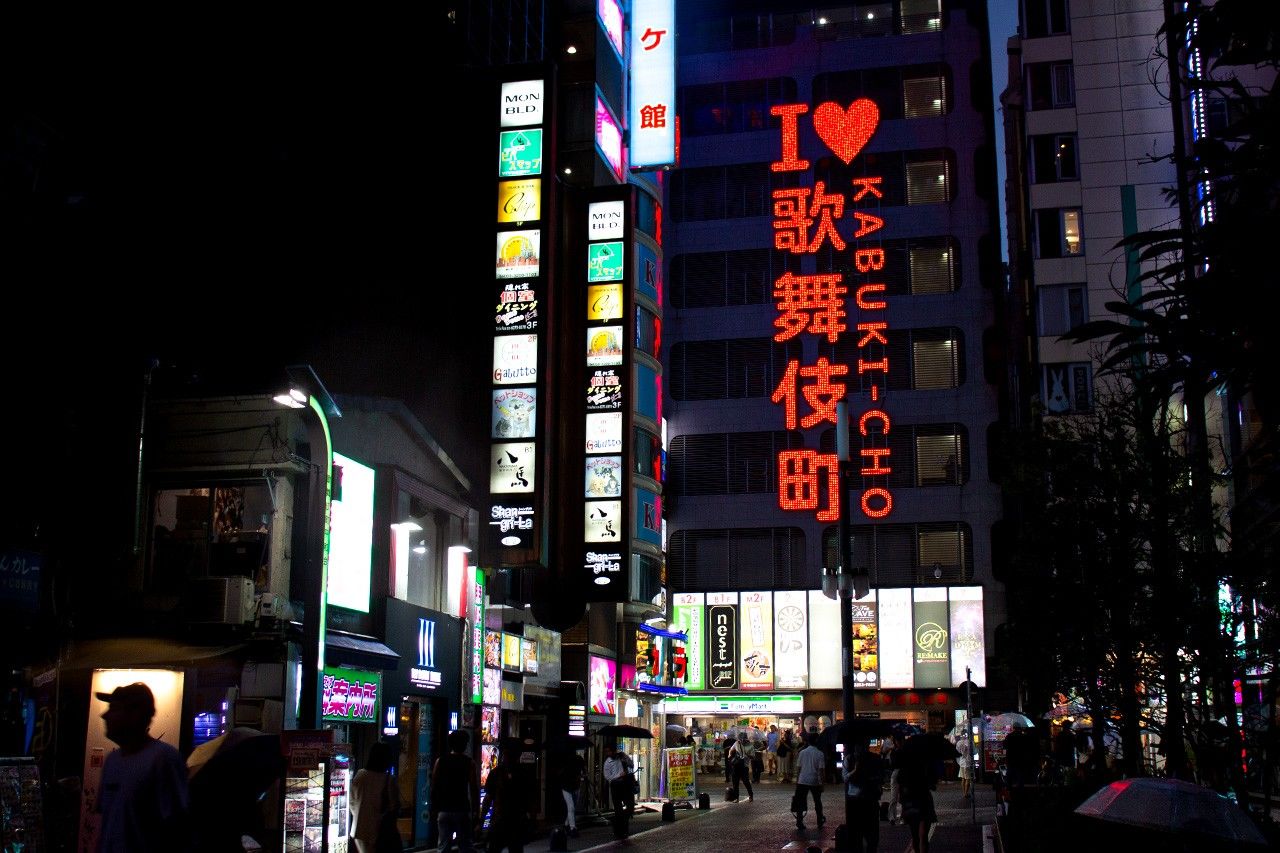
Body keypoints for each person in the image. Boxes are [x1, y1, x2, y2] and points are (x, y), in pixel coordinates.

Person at [94, 682, 190, 853]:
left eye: (114, 709)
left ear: (135, 715)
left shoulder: (163, 759)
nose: (105, 715)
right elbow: (107, 825)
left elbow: (178, 829)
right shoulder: (112, 760)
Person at [430, 731, 479, 852]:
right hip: (462, 809)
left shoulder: (440, 761)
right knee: (465, 845)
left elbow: (434, 786)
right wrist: (476, 810)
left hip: (444, 809)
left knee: (443, 846)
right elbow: (473, 788)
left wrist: (435, 807)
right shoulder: (469, 763)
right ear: (464, 745)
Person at [351, 741, 400, 853]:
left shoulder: (360, 775)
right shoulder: (389, 780)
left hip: (359, 830)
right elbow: (393, 807)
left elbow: (352, 802)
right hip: (379, 831)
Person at [480, 748, 529, 852]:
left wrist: (481, 821)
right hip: (515, 819)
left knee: (495, 848)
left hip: (501, 819)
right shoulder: (522, 773)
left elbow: (488, 799)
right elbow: (529, 798)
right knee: (514, 848)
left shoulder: (496, 773)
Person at [843, 741, 886, 853]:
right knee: (856, 836)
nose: (860, 748)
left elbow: (880, 777)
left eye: (863, 745)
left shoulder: (875, 758)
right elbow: (845, 778)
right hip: (855, 801)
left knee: (872, 836)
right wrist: (856, 770)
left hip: (869, 800)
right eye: (858, 745)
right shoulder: (849, 758)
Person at [897, 743, 937, 853]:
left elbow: (901, 787)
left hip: (912, 803)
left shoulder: (905, 767)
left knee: (917, 835)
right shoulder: (926, 765)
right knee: (922, 836)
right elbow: (933, 785)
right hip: (922, 801)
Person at [792, 733, 825, 830]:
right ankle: (819, 820)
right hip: (814, 780)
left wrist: (797, 780)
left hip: (802, 780)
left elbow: (799, 768)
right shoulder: (820, 753)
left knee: (800, 802)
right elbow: (821, 771)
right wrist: (822, 784)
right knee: (817, 801)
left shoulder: (802, 752)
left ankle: (799, 822)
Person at [602, 744, 636, 839]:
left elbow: (631, 765)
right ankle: (621, 830)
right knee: (618, 809)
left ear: (614, 751)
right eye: (606, 752)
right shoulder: (607, 763)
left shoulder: (622, 756)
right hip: (615, 785)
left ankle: (622, 823)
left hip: (626, 785)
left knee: (630, 806)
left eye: (609, 751)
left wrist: (625, 758)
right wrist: (618, 775)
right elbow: (607, 776)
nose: (608, 753)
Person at [558, 749, 585, 838]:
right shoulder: (571, 766)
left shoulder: (571, 764)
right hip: (568, 787)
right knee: (571, 807)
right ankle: (572, 828)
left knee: (572, 807)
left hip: (571, 787)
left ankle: (566, 825)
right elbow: (582, 772)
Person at [728, 733, 755, 801]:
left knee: (746, 781)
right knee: (735, 782)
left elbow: (753, 757)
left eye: (743, 739)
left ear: (746, 739)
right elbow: (731, 750)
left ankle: (750, 795)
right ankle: (736, 798)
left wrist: (747, 754)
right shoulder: (737, 743)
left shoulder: (750, 746)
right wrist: (730, 755)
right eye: (740, 739)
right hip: (736, 765)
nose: (742, 741)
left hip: (744, 766)